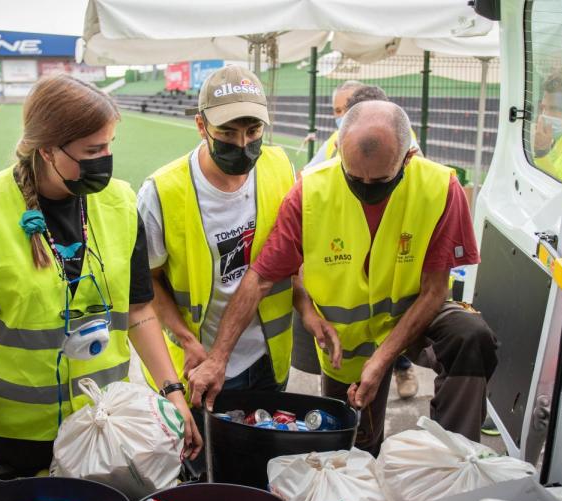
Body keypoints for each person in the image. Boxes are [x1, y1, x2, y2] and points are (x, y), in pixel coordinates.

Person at [189, 100, 498, 455]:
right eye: (354, 177)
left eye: (381, 180)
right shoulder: (311, 193)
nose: (366, 188)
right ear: (338, 150)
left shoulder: (440, 188)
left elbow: (434, 291)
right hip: (346, 348)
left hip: (414, 318)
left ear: (407, 157)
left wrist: (383, 360)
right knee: (354, 445)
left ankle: (453, 458)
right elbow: (260, 277)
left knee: (470, 336)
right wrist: (218, 358)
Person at [0, 74, 202, 483]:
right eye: (93, 149)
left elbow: (138, 310)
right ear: (47, 149)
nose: (105, 158)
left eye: (109, 145)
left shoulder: (119, 202)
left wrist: (172, 392)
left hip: (104, 428)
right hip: (17, 441)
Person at [136, 65, 296, 400]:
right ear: (200, 125)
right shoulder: (162, 192)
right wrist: (185, 338)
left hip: (269, 358)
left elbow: (291, 254)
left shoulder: (280, 167)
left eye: (254, 131)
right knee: (203, 453)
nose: (242, 144)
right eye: (227, 133)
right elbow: (145, 280)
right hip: (199, 366)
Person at [297, 83, 423, 400]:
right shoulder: (335, 143)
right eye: (337, 112)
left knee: (394, 317)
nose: (339, 117)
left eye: (343, 111)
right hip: (349, 252)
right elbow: (305, 181)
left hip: (395, 253)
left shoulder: (404, 145)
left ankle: (402, 366)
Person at [532, 70, 562, 181]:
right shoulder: (558, 142)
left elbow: (558, 190)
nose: (545, 115)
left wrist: (541, 153)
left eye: (554, 108)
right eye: (544, 108)